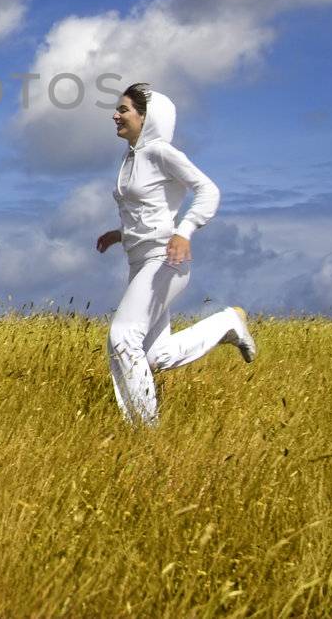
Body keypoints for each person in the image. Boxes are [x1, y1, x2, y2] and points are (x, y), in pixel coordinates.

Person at [94, 82, 256, 426]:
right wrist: (120, 234)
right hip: (140, 263)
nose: (115, 115)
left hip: (166, 260)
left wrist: (186, 230)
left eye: (123, 110)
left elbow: (208, 190)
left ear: (146, 117)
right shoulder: (130, 158)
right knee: (155, 355)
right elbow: (150, 210)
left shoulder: (161, 153)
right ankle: (227, 323)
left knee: (123, 338)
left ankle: (144, 434)